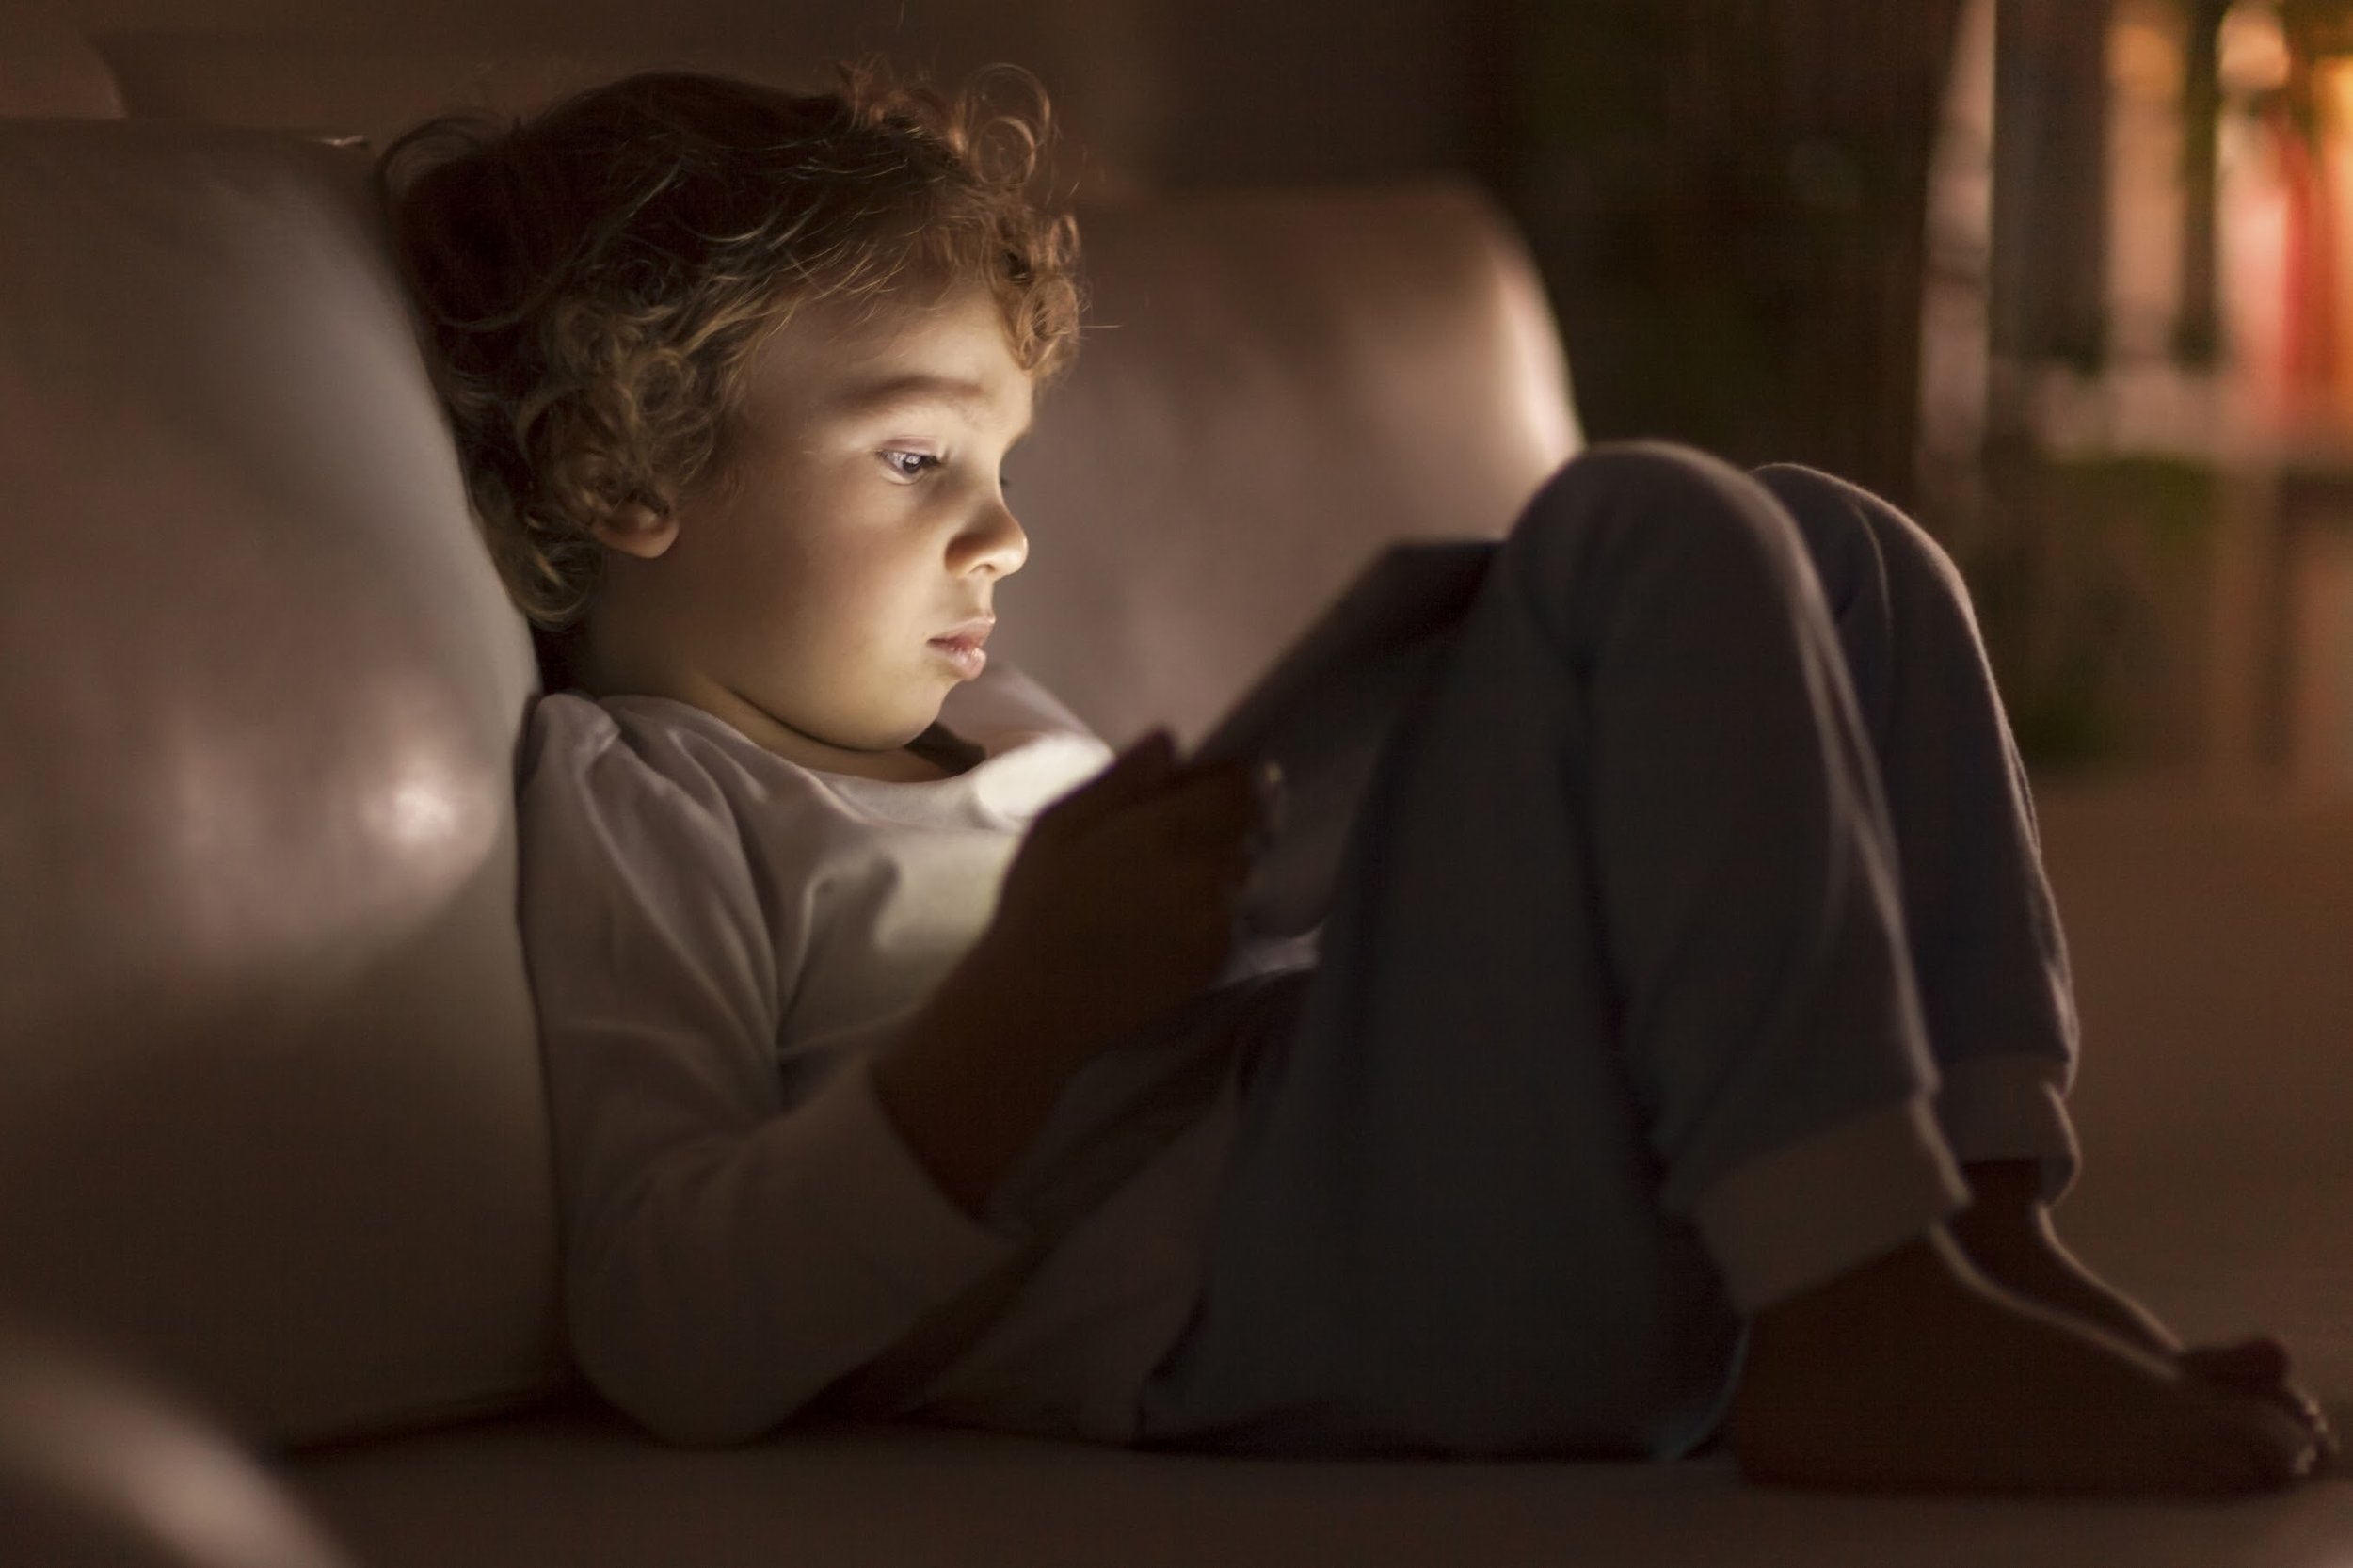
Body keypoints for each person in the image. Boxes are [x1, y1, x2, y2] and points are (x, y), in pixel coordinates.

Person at [375, 64, 2333, 1494]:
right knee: (1637, 526)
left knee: (1835, 538)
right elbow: (665, 1321)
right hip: (1281, 1296)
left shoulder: (1000, 719)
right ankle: (1849, 1313)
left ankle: (1965, 1230)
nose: (999, 536)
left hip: (1413, 1174)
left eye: (1002, 468)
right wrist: (1022, 1008)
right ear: (628, 473)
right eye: (912, 459)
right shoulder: (646, 792)